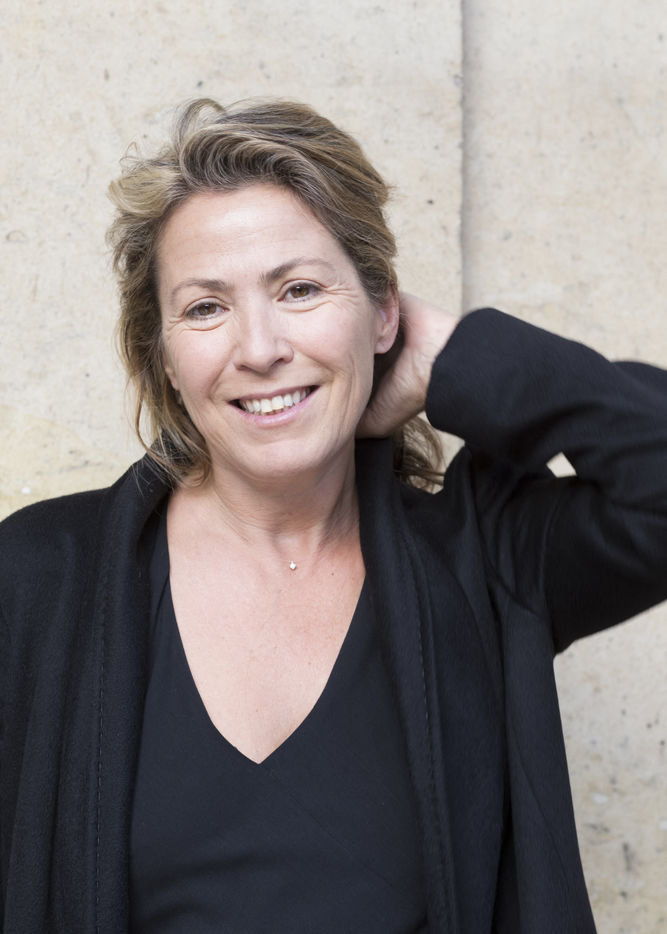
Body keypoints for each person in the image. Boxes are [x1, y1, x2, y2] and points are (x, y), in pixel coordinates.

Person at [1, 98, 666, 934]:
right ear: (164, 355)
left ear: (382, 312)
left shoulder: (486, 562)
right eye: (205, 307)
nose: (260, 348)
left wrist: (450, 357)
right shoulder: (39, 576)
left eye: (301, 290)